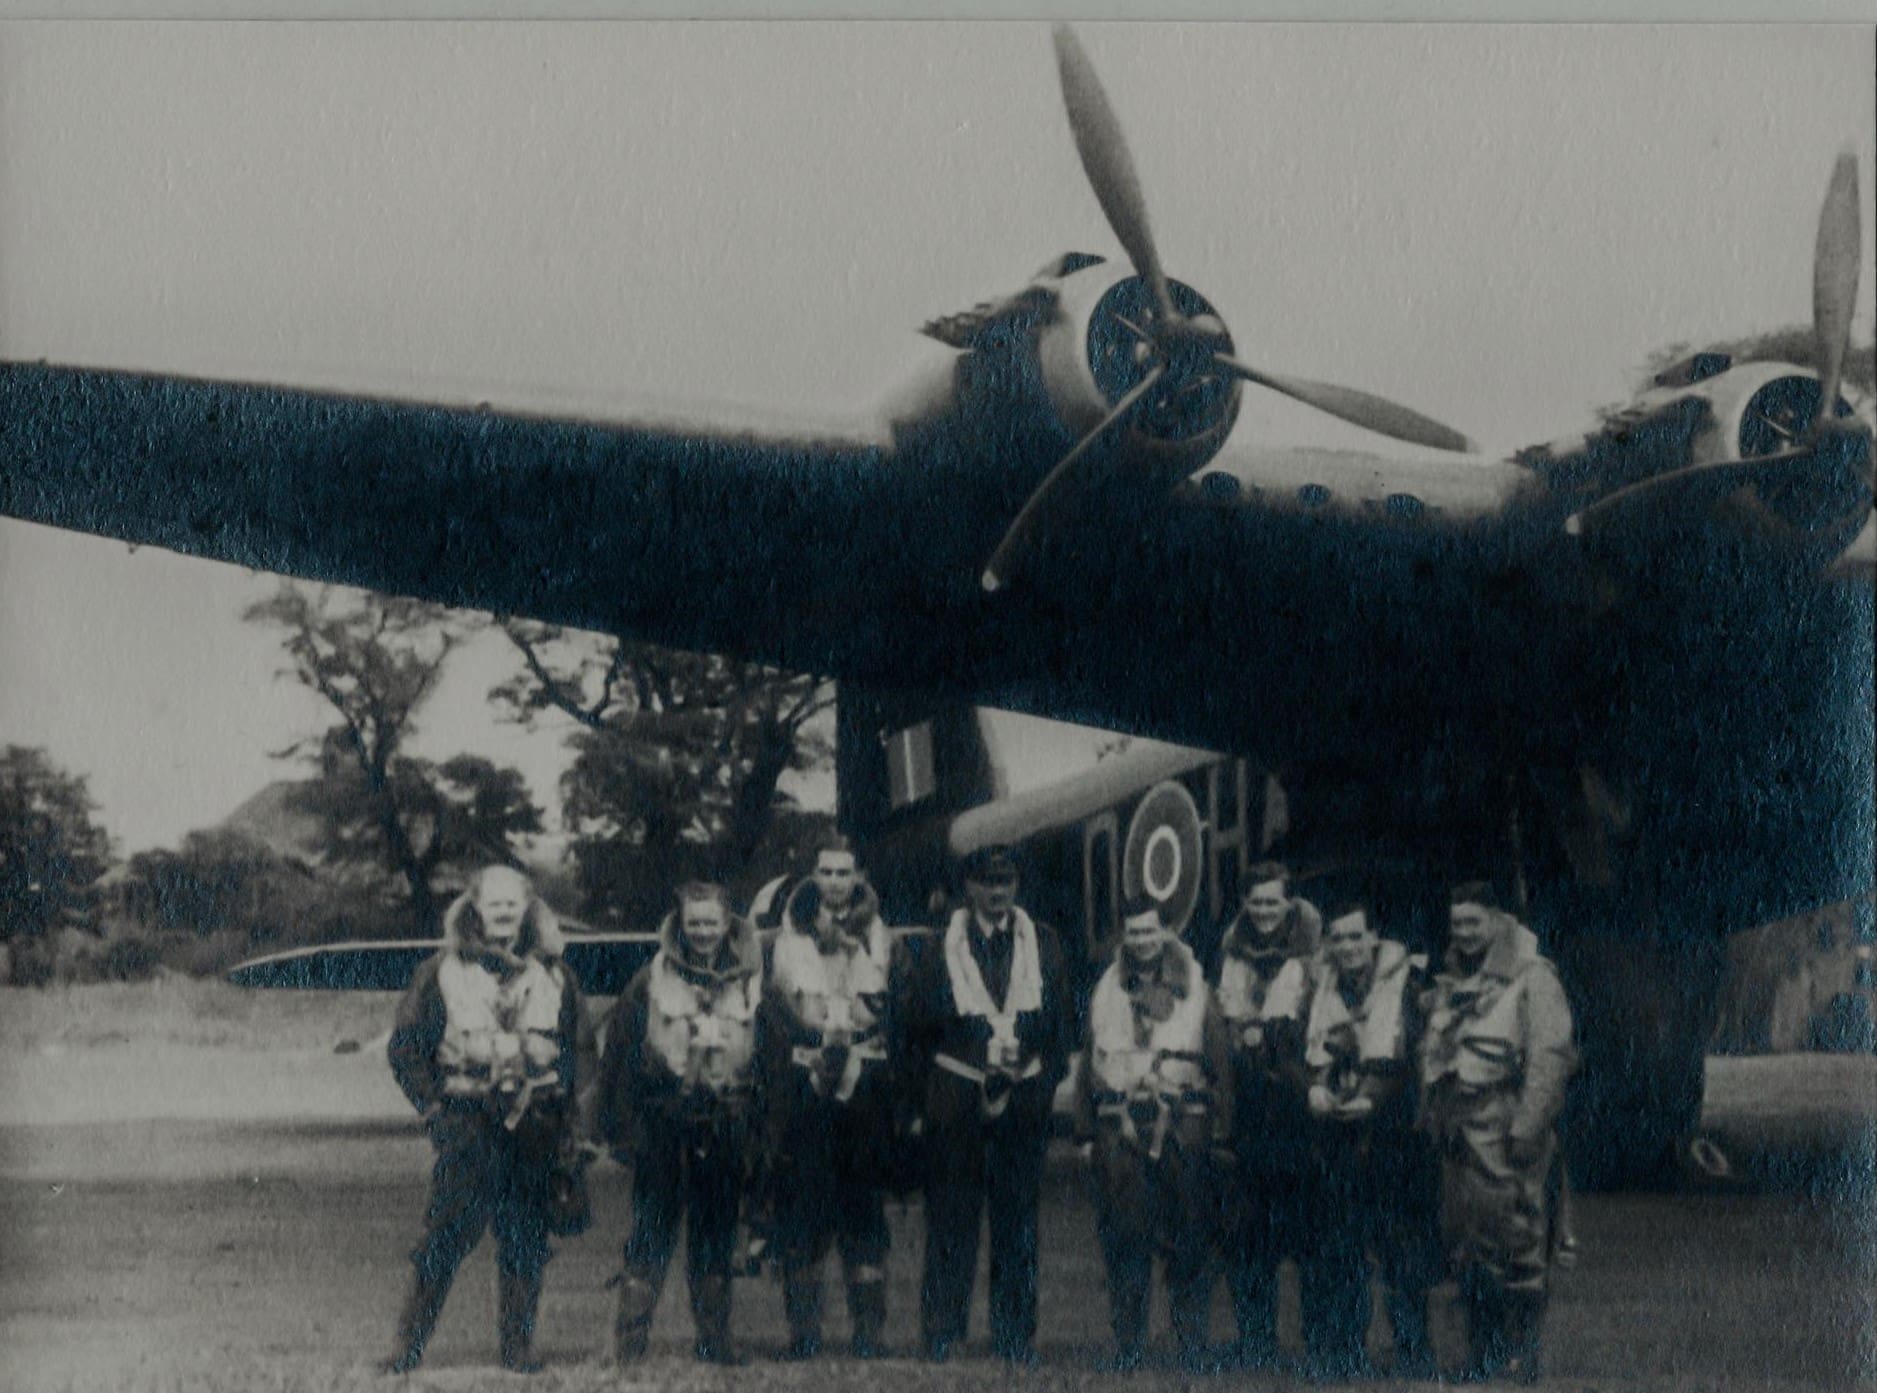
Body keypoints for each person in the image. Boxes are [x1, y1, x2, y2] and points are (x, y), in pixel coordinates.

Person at [382, 865, 587, 1376]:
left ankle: (518, 1351)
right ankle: (406, 1350)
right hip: (468, 1122)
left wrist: (567, 1118)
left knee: (526, 1239)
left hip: (534, 1126)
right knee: (445, 1237)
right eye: (492, 901)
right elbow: (406, 1049)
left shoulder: (557, 974)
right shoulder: (440, 972)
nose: (502, 910)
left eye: (511, 901)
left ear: (527, 906)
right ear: (474, 906)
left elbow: (579, 1053)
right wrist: (434, 1112)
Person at [903, 844, 1073, 1366]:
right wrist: (923, 1102)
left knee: (1017, 1219)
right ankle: (941, 1328)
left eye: (1006, 882)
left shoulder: (1042, 943)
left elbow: (1062, 1024)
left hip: (1022, 1096)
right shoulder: (939, 947)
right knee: (952, 1217)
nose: (998, 892)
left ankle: (1015, 1332)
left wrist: (1038, 1086)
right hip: (957, 1095)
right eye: (987, 882)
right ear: (969, 887)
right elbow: (913, 1032)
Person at [1266, 898, 1440, 1381]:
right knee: (1334, 1245)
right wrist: (1314, 1088)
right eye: (1337, 939)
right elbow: (1286, 1052)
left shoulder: (1407, 983)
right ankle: (1337, 1349)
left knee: (1399, 1247)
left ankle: (1413, 1350)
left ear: (1373, 938)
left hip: (1390, 1133)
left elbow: (1417, 1056)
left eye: (1354, 937)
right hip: (1331, 1134)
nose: (1346, 947)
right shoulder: (1312, 986)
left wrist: (1374, 1097)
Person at [596, 882, 764, 1366]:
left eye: (712, 923)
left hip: (724, 1121)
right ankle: (628, 1345)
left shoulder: (751, 981)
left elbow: (768, 1056)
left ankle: (715, 1340)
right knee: (651, 1231)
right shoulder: (650, 981)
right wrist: (622, 1129)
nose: (703, 933)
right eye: (695, 923)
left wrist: (761, 1130)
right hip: (665, 1122)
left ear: (728, 924)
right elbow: (618, 1057)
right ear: (680, 925)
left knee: (715, 1233)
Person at [1420, 882, 1577, 1384]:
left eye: (1474, 923)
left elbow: (1550, 1058)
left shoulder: (1533, 977)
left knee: (1519, 1241)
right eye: (1457, 924)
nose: (1465, 934)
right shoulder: (1453, 978)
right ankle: (1482, 1353)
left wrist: (1528, 1128)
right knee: (1469, 1243)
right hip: (1460, 1135)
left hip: (1507, 1129)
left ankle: (1521, 1356)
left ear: (1496, 920)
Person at [758, 837, 905, 1360]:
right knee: (804, 1202)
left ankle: (869, 1330)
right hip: (807, 1078)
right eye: (826, 872)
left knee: (864, 1203)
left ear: (858, 877)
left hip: (863, 1080)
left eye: (845, 873)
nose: (836, 882)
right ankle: (805, 1332)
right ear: (814, 876)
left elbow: (893, 1010)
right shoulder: (787, 937)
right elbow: (774, 1013)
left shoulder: (881, 934)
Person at [1074, 897, 1234, 1372]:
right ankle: (1130, 1343)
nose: (1142, 941)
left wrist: (1221, 1129)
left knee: (1188, 1233)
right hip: (1120, 1123)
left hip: (1182, 1121)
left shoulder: (1195, 984)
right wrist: (1085, 1130)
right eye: (1133, 933)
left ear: (1164, 933)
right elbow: (1089, 1062)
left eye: (1149, 932)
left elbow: (1220, 1058)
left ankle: (1191, 1342)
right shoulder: (1107, 987)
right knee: (1125, 1233)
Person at [1209, 860, 1323, 1368]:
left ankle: (1322, 1343)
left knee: (1308, 1229)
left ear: (1290, 903)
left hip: (1299, 1109)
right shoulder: (1232, 952)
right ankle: (1256, 1340)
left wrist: (1277, 1044)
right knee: (1247, 1231)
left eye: (1272, 902)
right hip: (1250, 1109)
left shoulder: (1316, 954)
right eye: (1255, 903)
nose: (1263, 912)